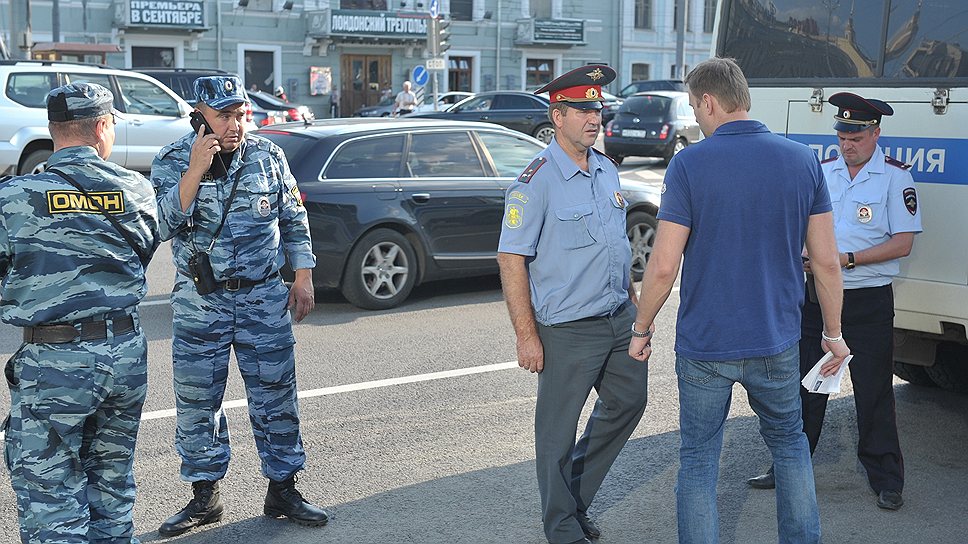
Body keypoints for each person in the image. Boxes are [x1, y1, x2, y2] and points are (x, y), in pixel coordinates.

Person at [627, 58, 851, 544]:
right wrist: (832, 335)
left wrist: (641, 329)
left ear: (710, 102)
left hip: (706, 346)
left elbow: (663, 266)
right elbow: (828, 263)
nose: (696, 117)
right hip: (775, 339)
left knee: (700, 461)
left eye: (693, 106)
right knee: (790, 447)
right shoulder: (801, 160)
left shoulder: (689, 162)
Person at [151, 75, 328, 537]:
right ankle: (204, 497)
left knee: (275, 394)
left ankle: (283, 489)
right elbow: (163, 225)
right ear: (199, 118)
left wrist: (303, 276)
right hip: (201, 301)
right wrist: (194, 170)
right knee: (197, 401)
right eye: (224, 116)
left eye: (241, 115)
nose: (235, 125)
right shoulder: (172, 160)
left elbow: (293, 216)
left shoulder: (268, 156)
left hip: (262, 295)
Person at [497, 64, 650, 544]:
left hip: (617, 319)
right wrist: (526, 336)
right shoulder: (535, 180)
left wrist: (632, 301)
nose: (593, 117)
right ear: (556, 113)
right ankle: (562, 528)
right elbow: (511, 258)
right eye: (582, 109)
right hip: (567, 330)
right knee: (557, 437)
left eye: (597, 108)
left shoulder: (606, 169)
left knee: (630, 402)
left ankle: (572, 501)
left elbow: (614, 244)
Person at [746, 92, 921, 511]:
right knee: (805, 388)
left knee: (873, 391)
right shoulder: (821, 173)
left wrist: (847, 259)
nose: (848, 143)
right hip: (817, 298)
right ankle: (789, 466)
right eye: (842, 134)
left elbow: (902, 244)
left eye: (856, 134)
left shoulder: (896, 179)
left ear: (875, 133)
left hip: (867, 301)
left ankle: (886, 477)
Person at [1, 82, 159, 542]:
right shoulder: (137, 189)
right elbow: (143, 253)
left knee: (49, 492)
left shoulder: (15, 197)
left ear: (52, 131)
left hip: (53, 361)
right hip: (124, 354)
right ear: (103, 126)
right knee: (111, 485)